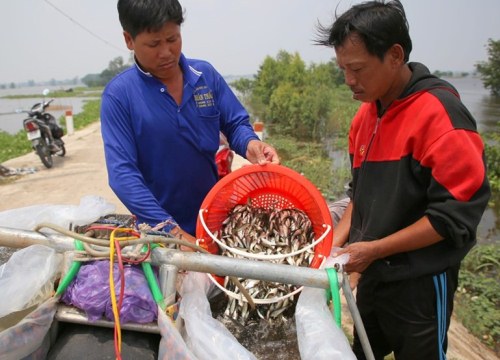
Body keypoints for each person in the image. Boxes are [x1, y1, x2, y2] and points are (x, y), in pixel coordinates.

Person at [315, 1, 491, 359]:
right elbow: (359, 196)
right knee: (363, 351)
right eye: (343, 69)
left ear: (395, 55)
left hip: (421, 283)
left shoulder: (441, 116)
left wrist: (374, 249)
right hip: (374, 277)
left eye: (358, 69)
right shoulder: (364, 118)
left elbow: (452, 219)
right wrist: (330, 247)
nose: (349, 80)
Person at [101, 0, 279, 248]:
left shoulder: (204, 76)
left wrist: (252, 145)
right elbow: (122, 176)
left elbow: (235, 124)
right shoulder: (120, 96)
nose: (166, 52)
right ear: (129, 40)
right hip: (160, 233)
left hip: (214, 219)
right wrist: (173, 232)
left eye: (172, 39)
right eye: (154, 44)